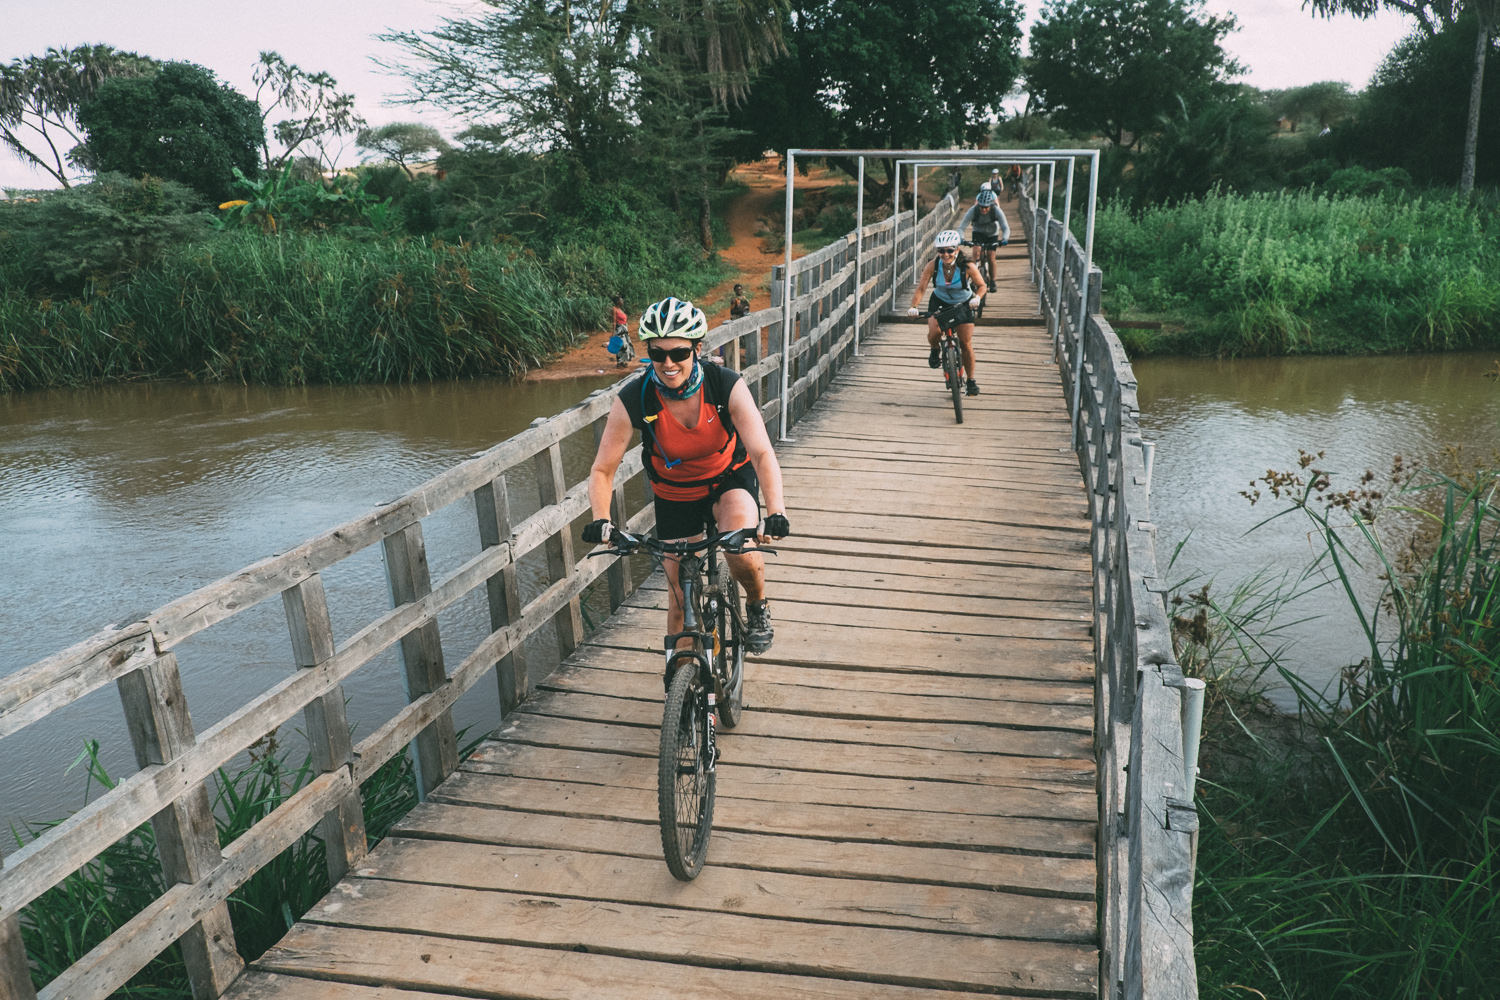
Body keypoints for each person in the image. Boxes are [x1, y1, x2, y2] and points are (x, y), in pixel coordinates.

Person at [584, 297, 790, 660]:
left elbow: (761, 452)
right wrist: (601, 520)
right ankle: (680, 688)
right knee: (679, 598)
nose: (667, 363)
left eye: (678, 353)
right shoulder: (636, 397)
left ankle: (757, 604)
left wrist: (776, 510)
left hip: (728, 478)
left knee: (739, 550)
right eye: (657, 353)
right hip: (675, 493)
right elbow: (602, 469)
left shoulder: (724, 384)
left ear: (696, 349)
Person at [907, 230, 987, 397]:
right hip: (939, 301)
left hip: (963, 303)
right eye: (941, 250)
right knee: (934, 332)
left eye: (950, 250)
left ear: (957, 250)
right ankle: (935, 349)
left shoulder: (968, 266)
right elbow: (921, 288)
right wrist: (914, 306)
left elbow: (982, 286)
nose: (945, 254)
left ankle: (971, 380)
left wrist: (977, 298)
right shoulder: (933, 265)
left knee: (965, 342)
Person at [957, 189, 1009, 292]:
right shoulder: (973, 210)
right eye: (981, 207)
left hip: (992, 234)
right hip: (978, 232)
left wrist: (1004, 239)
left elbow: (1005, 227)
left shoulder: (996, 210)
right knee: (976, 252)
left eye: (986, 207)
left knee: (991, 256)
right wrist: (961, 239)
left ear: (991, 205)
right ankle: (973, 278)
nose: (983, 210)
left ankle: (993, 280)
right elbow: (961, 227)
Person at [607, 295, 634, 366]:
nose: (622, 301)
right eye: (621, 300)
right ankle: (619, 362)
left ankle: (623, 361)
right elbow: (614, 321)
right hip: (619, 329)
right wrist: (613, 333)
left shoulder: (620, 310)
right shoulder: (614, 309)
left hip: (624, 329)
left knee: (626, 345)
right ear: (617, 302)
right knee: (622, 345)